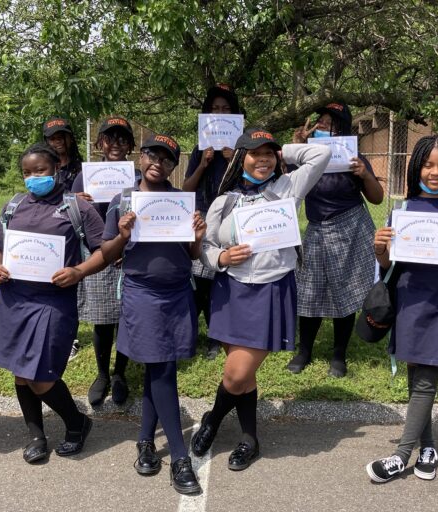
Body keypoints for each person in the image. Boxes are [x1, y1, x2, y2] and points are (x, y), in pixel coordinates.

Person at [192, 128, 331, 471]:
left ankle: (213, 417)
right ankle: (249, 438)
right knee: (245, 376)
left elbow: (321, 156)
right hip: (230, 292)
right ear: (241, 158)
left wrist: (284, 150)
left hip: (271, 289)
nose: (263, 159)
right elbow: (205, 249)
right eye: (256, 153)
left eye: (269, 154)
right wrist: (222, 259)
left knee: (236, 376)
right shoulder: (224, 202)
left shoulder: (287, 188)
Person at [365, 135, 438, 483]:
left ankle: (401, 455)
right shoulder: (402, 209)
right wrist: (379, 247)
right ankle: (428, 446)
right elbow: (387, 263)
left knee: (427, 377)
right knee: (418, 374)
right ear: (416, 166)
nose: (435, 171)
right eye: (428, 164)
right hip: (410, 299)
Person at [0, 143, 108, 464]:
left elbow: (105, 251)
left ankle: (77, 423)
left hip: (53, 301)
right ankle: (36, 435)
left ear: (56, 169)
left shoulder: (76, 208)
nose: (33, 177)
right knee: (21, 373)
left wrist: (79, 271)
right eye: (27, 172)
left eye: (40, 170)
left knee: (41, 374)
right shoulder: (14, 205)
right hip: (13, 298)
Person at [100, 134, 205, 495]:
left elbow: (192, 254)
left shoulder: (181, 201)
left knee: (161, 365)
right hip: (141, 293)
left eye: (167, 158)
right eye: (151, 155)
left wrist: (198, 236)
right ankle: (179, 457)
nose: (157, 162)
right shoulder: (123, 200)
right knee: (161, 369)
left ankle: (145, 441)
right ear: (140, 157)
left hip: (177, 293)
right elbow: (108, 251)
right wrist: (123, 234)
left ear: (175, 166)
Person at [287, 101, 384, 377]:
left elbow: (376, 198)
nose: (323, 127)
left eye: (330, 124)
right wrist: (297, 146)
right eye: (321, 123)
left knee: (345, 290)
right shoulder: (307, 156)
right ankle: (304, 351)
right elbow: (283, 183)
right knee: (309, 290)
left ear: (341, 130)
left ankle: (339, 355)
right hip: (317, 228)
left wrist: (364, 175)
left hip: (349, 227)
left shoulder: (354, 158)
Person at [71, 116, 136, 406]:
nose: (115, 144)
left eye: (123, 139)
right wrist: (76, 199)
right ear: (99, 143)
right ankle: (102, 374)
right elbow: (68, 212)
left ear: (131, 147)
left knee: (125, 316)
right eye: (109, 138)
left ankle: (120, 372)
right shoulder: (85, 176)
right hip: (98, 252)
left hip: (129, 254)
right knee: (102, 319)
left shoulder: (138, 176)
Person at [182, 84, 241, 360]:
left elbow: (249, 184)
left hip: (232, 216)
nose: (220, 113)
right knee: (200, 277)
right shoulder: (200, 148)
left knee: (223, 275)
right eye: (215, 109)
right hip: (204, 215)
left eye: (225, 109)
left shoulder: (243, 148)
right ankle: (199, 333)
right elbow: (186, 188)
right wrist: (204, 164)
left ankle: (219, 334)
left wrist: (234, 160)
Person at [43, 116, 83, 190]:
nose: (58, 141)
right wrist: (72, 197)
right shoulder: (42, 170)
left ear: (71, 138)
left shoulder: (82, 169)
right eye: (52, 139)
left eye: (61, 137)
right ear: (47, 142)